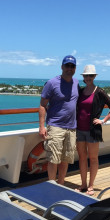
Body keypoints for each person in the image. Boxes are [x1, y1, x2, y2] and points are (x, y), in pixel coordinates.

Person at [75, 64, 110, 195]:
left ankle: (91, 186)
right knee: (82, 158)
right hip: (79, 130)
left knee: (93, 159)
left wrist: (103, 121)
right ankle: (83, 184)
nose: (88, 77)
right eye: (86, 75)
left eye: (91, 75)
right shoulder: (81, 91)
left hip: (93, 130)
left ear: (94, 77)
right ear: (83, 77)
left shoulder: (99, 91)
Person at [39, 55, 79, 185]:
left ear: (75, 68)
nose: (69, 68)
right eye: (67, 65)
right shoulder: (52, 83)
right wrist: (42, 126)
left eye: (72, 66)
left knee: (65, 159)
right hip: (55, 126)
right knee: (53, 159)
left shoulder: (76, 82)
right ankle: (52, 186)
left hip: (71, 127)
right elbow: (42, 105)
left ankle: (61, 184)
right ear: (62, 67)